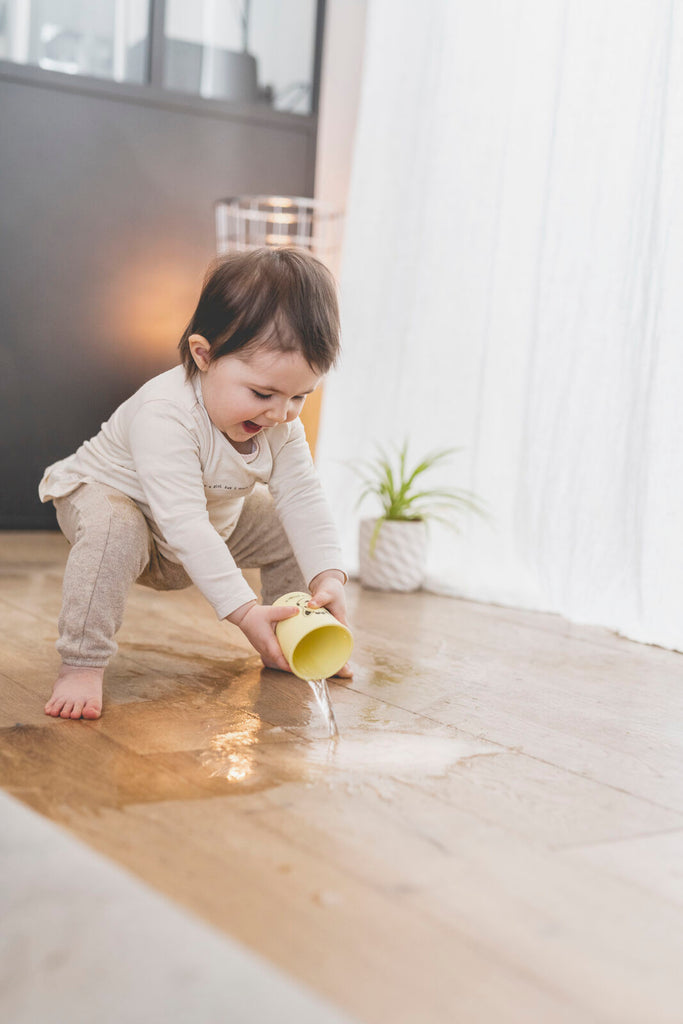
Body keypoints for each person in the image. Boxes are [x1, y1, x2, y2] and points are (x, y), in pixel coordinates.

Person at [39, 247, 350, 721]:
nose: (279, 413)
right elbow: (182, 522)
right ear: (203, 356)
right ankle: (82, 661)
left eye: (299, 397)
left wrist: (328, 576)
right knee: (114, 529)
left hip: (207, 522)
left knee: (281, 522)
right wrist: (244, 613)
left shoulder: (281, 425)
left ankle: (290, 636)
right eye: (263, 393)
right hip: (120, 502)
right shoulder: (165, 414)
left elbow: (303, 497)